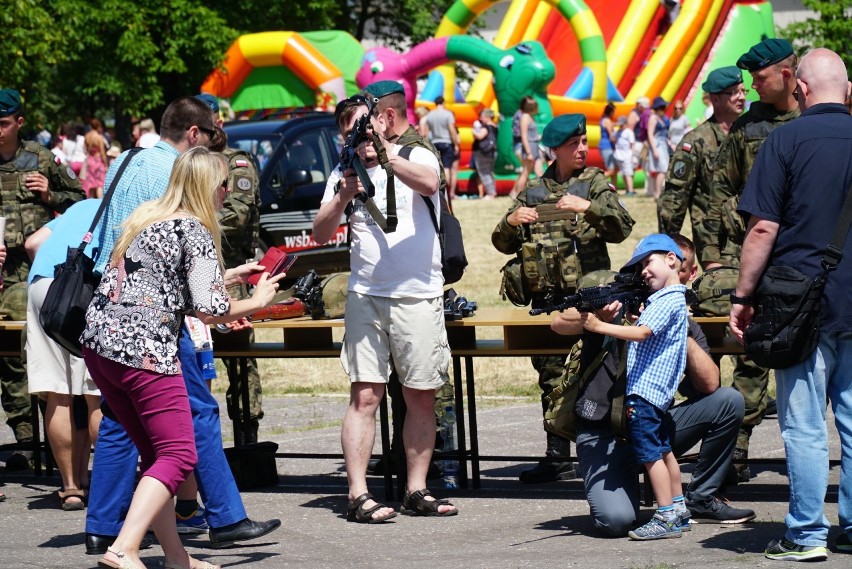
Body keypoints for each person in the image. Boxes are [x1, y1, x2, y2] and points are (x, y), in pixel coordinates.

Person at [84, 97, 281, 556]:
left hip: (100, 345)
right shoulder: (194, 228)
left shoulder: (147, 218)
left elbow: (157, 279)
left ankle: (177, 557)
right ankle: (125, 548)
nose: (227, 194)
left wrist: (225, 276)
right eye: (223, 186)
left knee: (155, 454)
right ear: (206, 185)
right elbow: (211, 309)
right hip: (144, 350)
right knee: (179, 454)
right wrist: (257, 300)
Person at [313, 82, 458, 522]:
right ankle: (358, 494)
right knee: (365, 396)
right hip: (365, 296)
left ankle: (417, 489)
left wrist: (388, 157)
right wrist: (343, 193)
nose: (353, 138)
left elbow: (431, 183)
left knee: (421, 397)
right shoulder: (346, 170)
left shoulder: (416, 154)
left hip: (417, 295)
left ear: (386, 120)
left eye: (361, 127)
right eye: (346, 132)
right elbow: (320, 233)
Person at [729, 47, 852, 562]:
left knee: (802, 424)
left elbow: (762, 228)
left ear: (799, 89)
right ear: (847, 91)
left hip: (801, 303)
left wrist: (741, 296)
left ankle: (805, 533)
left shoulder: (786, 139)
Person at [556, 234, 754, 538]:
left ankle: (694, 501)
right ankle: (664, 507)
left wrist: (676, 330)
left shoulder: (670, 308)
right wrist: (596, 318)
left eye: (684, 273)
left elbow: (710, 383)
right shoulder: (613, 297)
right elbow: (558, 323)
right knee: (616, 522)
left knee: (728, 400)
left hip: (648, 417)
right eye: (644, 269)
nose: (653, 277)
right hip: (604, 434)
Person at [492, 114, 634, 484]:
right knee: (551, 376)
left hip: (591, 302)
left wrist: (588, 208)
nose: (583, 148)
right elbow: (500, 242)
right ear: (554, 151)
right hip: (549, 302)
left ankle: (602, 451)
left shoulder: (594, 183)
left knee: (597, 375)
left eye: (584, 141)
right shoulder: (534, 193)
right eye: (574, 144)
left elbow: (622, 227)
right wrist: (511, 222)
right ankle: (556, 455)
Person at [704, 38, 799, 480]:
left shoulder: (817, 114)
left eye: (758, 78)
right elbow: (718, 193)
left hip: (813, 260)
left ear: (785, 73)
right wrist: (721, 250)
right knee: (752, 359)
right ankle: (735, 455)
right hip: (759, 259)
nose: (751, 86)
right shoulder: (746, 128)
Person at [578, 234, 689, 540]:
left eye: (647, 261)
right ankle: (678, 508)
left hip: (643, 394)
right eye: (640, 265)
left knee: (651, 456)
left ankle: (665, 516)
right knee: (666, 453)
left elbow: (641, 334)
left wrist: (599, 326)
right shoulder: (676, 299)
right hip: (658, 396)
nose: (643, 270)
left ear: (670, 259)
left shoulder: (664, 300)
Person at [0, 88, 85, 471]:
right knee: (8, 362)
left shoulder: (40, 158)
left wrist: (51, 193)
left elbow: (82, 203)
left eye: (2, 124)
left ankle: (48, 445)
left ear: (18, 122)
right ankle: (23, 437)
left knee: (31, 352)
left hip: (33, 271)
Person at [24, 199, 105, 511]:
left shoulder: (79, 207)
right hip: (84, 289)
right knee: (95, 393)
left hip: (44, 283)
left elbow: (33, 243)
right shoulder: (123, 205)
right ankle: (112, 482)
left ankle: (71, 487)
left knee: (58, 392)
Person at [196, 93, 263, 447]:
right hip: (197, 274)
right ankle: (202, 442)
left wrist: (193, 223)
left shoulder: (236, 164)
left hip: (231, 272)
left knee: (239, 363)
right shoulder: (189, 164)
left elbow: (237, 216)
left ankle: (246, 434)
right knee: (195, 358)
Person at [658, 66, 746, 261]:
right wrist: (664, 248)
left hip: (751, 237)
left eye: (743, 91)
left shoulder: (751, 134)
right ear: (715, 99)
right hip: (716, 243)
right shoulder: (696, 141)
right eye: (733, 93)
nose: (741, 97)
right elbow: (674, 199)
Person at [422, 96, 460, 201]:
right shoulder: (448, 114)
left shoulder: (429, 115)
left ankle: (440, 192)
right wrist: (456, 144)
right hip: (447, 142)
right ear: (443, 102)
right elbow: (452, 130)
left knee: (438, 168)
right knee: (447, 168)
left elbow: (426, 132)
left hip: (434, 143)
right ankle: (447, 193)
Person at [510, 95, 543, 198]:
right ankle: (517, 195)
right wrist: (528, 153)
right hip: (529, 148)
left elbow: (530, 135)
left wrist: (538, 137)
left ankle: (542, 194)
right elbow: (524, 136)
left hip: (535, 146)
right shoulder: (524, 117)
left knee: (539, 172)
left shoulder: (530, 117)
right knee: (525, 172)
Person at [645, 97, 670, 200]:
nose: (664, 109)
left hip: (663, 144)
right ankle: (657, 193)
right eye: (662, 107)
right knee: (662, 169)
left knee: (662, 169)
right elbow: (650, 134)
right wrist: (654, 149)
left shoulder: (662, 118)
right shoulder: (653, 118)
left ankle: (657, 192)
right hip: (657, 145)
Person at [472, 108, 498, 199]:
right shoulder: (495, 126)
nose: (481, 119)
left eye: (482, 117)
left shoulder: (486, 127)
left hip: (483, 152)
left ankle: (491, 193)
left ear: (487, 117)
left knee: (484, 172)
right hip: (492, 152)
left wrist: (473, 131)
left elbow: (480, 136)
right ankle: (492, 191)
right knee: (490, 172)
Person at [613, 114, 637, 196]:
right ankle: (627, 189)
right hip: (619, 156)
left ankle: (630, 190)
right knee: (623, 174)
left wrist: (632, 155)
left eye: (621, 125)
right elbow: (615, 140)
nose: (620, 126)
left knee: (628, 174)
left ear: (625, 124)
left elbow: (632, 144)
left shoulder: (629, 132)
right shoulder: (618, 132)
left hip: (627, 156)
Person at [81, 129, 107, 198]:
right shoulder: (99, 137)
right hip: (98, 162)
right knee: (99, 185)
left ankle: (91, 204)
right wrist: (106, 165)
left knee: (91, 186)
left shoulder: (87, 136)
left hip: (90, 161)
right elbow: (102, 153)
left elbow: (85, 151)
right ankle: (99, 204)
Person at [599, 103, 617, 186]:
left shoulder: (603, 119)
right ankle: (595, 181)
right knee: (611, 170)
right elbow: (611, 137)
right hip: (607, 146)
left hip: (605, 146)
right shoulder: (607, 121)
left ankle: (614, 188)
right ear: (611, 112)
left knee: (614, 170)